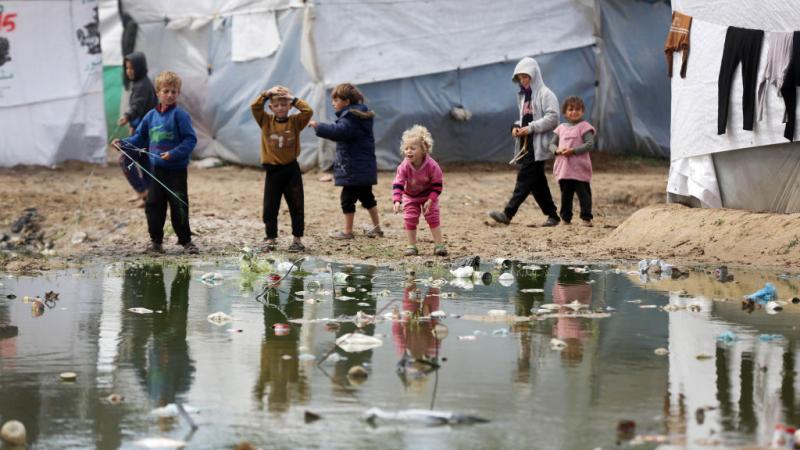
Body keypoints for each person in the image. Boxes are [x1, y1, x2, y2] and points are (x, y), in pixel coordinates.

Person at [114, 71, 198, 254]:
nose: (170, 95)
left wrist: (174, 153)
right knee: (153, 205)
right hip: (156, 170)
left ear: (178, 93)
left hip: (176, 170)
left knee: (179, 205)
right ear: (158, 92)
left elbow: (190, 140)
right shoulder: (151, 116)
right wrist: (123, 143)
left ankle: (186, 241)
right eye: (166, 91)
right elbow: (140, 137)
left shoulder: (180, 116)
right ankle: (156, 242)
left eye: (174, 92)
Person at [489, 56, 560, 227]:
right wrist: (516, 126)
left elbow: (553, 117)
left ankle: (508, 213)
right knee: (537, 183)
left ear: (534, 75)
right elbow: (524, 119)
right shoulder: (523, 97)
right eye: (520, 78)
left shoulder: (546, 94)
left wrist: (531, 128)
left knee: (524, 178)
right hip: (526, 144)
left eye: (526, 77)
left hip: (537, 146)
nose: (523, 81)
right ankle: (553, 215)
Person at [309, 83, 383, 240]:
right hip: (363, 167)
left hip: (353, 169)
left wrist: (318, 126)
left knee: (347, 200)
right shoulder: (360, 117)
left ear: (347, 102)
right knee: (367, 198)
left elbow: (338, 132)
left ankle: (348, 232)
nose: (333, 103)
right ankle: (377, 228)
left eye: (336, 100)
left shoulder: (350, 118)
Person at [250, 85, 313, 253]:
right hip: (273, 171)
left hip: (291, 170)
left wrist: (292, 98)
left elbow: (308, 111)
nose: (280, 108)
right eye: (276, 105)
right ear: (271, 107)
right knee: (270, 206)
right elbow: (254, 106)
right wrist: (267, 94)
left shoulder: (295, 122)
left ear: (289, 106)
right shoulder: (265, 120)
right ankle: (270, 238)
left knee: (296, 205)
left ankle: (297, 240)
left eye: (284, 104)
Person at [391, 125, 447, 257]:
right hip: (410, 197)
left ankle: (439, 245)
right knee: (410, 218)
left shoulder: (432, 166)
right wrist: (397, 200)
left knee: (433, 217)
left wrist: (431, 199)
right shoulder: (404, 166)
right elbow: (398, 183)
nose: (408, 151)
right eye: (406, 148)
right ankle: (411, 245)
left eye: (413, 148)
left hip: (428, 196)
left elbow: (437, 185)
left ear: (424, 149)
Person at [118, 52, 158, 208]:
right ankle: (149, 194)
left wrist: (128, 116)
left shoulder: (142, 85)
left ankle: (142, 191)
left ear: (140, 68)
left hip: (144, 132)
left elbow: (138, 106)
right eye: (127, 68)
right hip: (146, 131)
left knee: (125, 159)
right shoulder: (141, 83)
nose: (129, 71)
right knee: (143, 161)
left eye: (132, 68)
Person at [550, 96, 596, 226]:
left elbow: (589, 144)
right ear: (565, 112)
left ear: (583, 111)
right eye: (570, 109)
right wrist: (557, 151)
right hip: (564, 169)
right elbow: (551, 145)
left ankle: (586, 218)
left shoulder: (585, 127)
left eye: (577, 109)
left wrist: (573, 151)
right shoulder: (560, 128)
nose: (574, 112)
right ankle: (565, 219)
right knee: (566, 196)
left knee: (584, 195)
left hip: (580, 168)